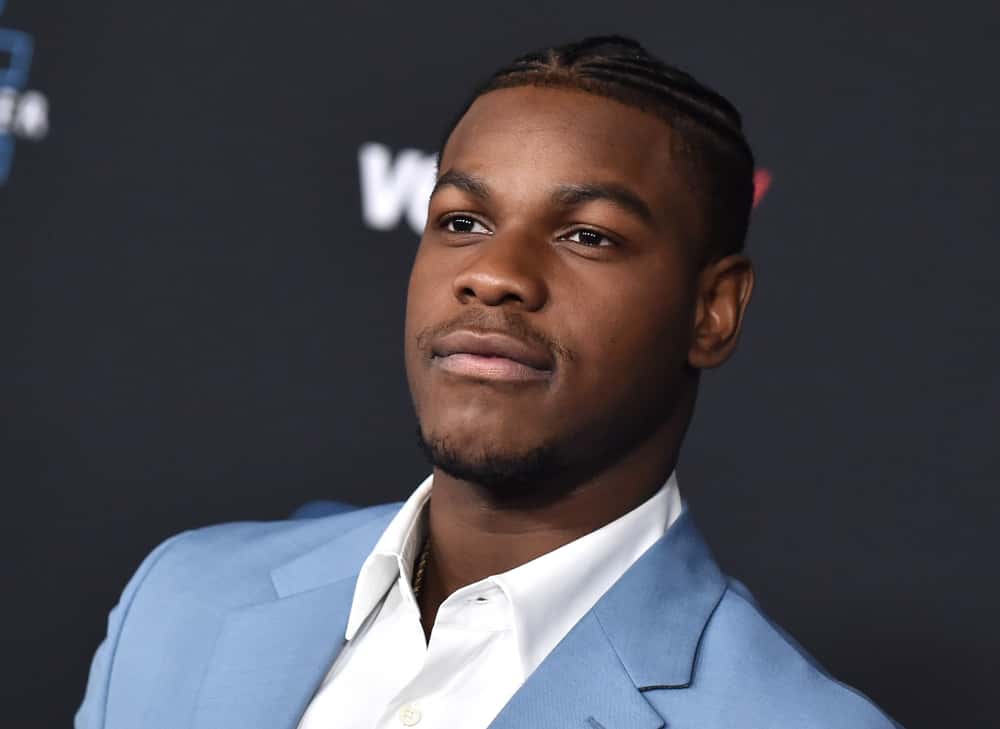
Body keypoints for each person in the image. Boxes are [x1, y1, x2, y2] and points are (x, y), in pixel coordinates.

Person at [76, 36, 902, 729]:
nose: (494, 273)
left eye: (587, 235)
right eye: (462, 221)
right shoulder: (180, 597)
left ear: (712, 310)